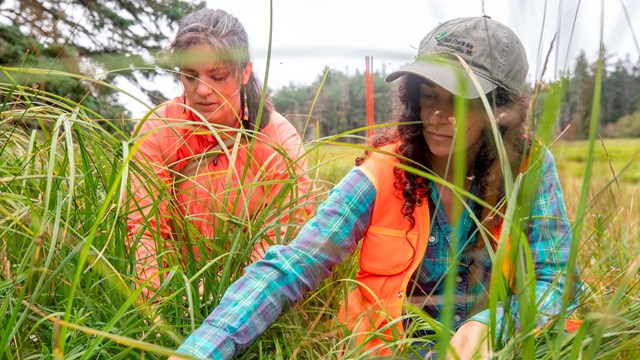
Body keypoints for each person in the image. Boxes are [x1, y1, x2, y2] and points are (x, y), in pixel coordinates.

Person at [170, 16, 577, 360]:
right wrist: (199, 351)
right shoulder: (384, 170)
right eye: (428, 96)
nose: (436, 115)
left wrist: (492, 325)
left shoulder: (529, 170)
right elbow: (292, 264)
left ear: (500, 108)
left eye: (458, 100)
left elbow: (558, 282)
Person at [127, 8, 314, 297]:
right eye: (190, 76)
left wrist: (230, 297)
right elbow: (142, 228)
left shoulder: (277, 138)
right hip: (174, 291)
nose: (202, 90)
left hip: (254, 295)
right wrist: (160, 303)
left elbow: (286, 230)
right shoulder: (158, 130)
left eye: (217, 76)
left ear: (245, 72)